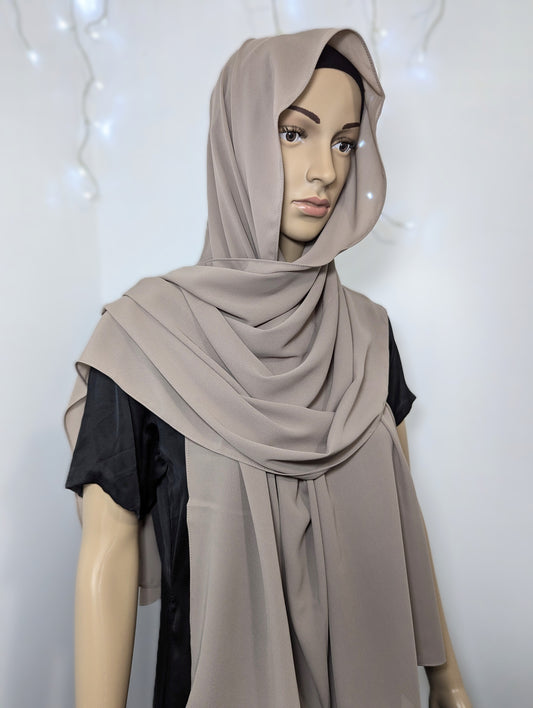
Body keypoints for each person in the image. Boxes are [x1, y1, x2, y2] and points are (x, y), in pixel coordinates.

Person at [65, 28, 472, 708]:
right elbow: (105, 556)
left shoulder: (367, 335)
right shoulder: (142, 341)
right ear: (238, 139)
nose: (326, 171)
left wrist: (446, 680)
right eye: (294, 134)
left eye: (344, 143)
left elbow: (406, 526)